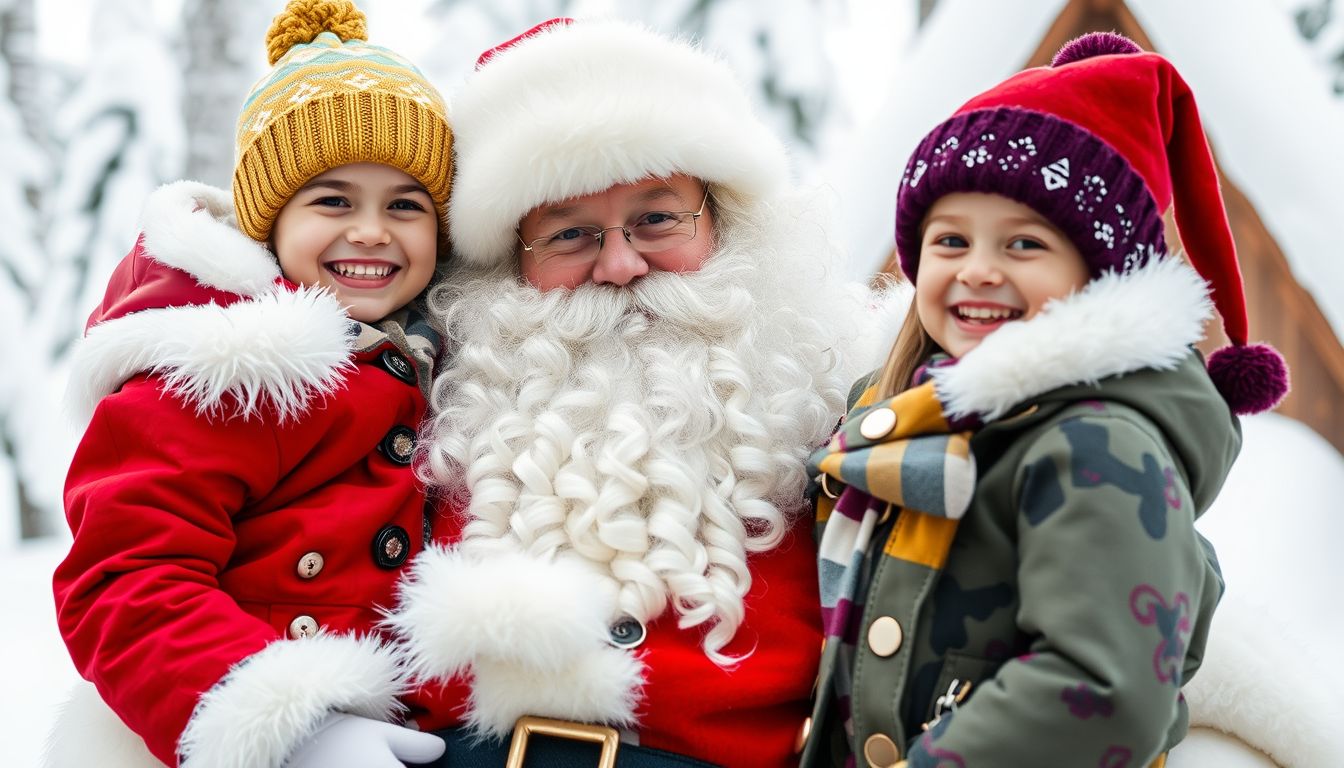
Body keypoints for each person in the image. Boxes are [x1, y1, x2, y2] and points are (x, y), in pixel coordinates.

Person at [378, 17, 870, 768]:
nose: (620, 265)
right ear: (509, 265)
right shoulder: (415, 405)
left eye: (657, 219)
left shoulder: (840, 403)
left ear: (725, 223)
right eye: (570, 234)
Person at [798, 32, 1290, 768]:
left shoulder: (1098, 447)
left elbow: (1102, 686)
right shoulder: (905, 423)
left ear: (1098, 275)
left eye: (1023, 245)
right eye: (951, 241)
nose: (978, 270)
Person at [48, 2, 454, 766]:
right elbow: (127, 576)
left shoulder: (447, 358)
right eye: (333, 201)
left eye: (405, 205)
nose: (372, 230)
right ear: (269, 221)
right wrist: (292, 728)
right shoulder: (216, 373)